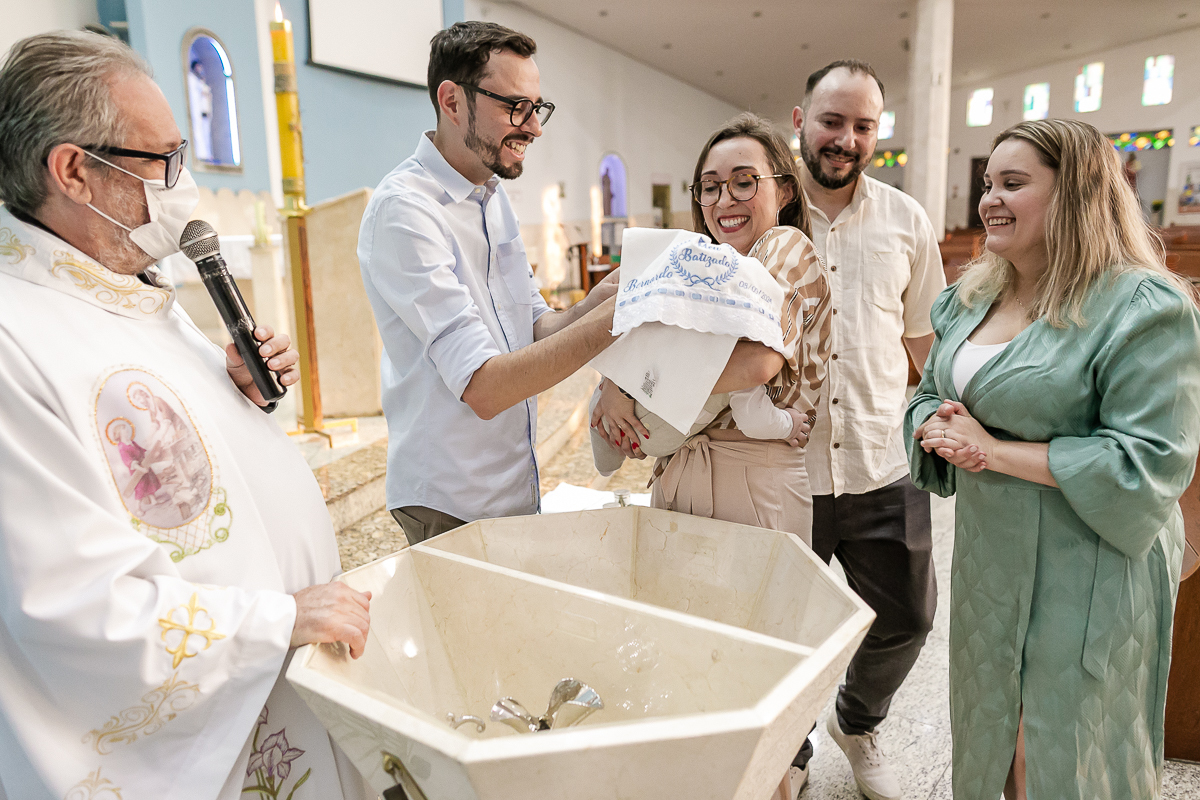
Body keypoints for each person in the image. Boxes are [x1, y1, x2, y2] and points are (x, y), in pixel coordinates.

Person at [0, 32, 374, 799]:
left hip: (281, 688)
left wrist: (224, 389)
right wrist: (276, 620)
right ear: (73, 170)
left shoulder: (123, 284)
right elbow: (67, 605)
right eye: (163, 160)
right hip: (214, 727)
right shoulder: (13, 338)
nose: (184, 183)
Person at [907, 118, 1200, 800]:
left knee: (1061, 746)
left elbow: (1148, 462)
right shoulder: (969, 296)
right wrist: (936, 426)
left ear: (1077, 195)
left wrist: (993, 450)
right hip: (991, 554)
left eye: (1014, 183)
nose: (989, 200)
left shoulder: (1141, 306)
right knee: (993, 737)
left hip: (1089, 559)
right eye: (987, 184)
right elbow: (926, 392)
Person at [358, 21, 622, 545]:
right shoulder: (405, 211)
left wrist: (598, 302)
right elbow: (483, 385)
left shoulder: (490, 192)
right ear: (452, 101)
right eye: (514, 107)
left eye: (536, 108)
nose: (534, 128)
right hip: (450, 498)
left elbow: (534, 323)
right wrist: (613, 325)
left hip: (510, 485)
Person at [781, 59, 948, 799]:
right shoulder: (765, 216)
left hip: (884, 461)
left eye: (862, 125)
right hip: (786, 473)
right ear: (799, 120)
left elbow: (923, 346)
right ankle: (787, 751)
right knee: (783, 632)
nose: (846, 138)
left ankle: (858, 717)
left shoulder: (906, 220)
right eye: (831, 121)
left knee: (908, 617)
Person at [186, 59, 213, 162]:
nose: (200, 69)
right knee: (198, 131)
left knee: (206, 133)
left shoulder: (200, 80)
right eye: (198, 67)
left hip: (204, 110)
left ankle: (207, 153)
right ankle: (202, 154)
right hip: (196, 110)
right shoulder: (192, 79)